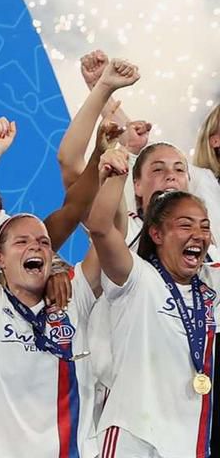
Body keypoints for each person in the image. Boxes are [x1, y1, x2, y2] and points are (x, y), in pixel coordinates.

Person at [0, 122, 107, 458]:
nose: (34, 248)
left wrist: (106, 165)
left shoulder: (73, 293)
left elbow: (105, 234)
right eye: (21, 242)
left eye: (43, 242)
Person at [87, 154, 217, 457]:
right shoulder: (137, 278)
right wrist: (116, 177)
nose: (198, 234)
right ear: (156, 233)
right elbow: (101, 229)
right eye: (185, 225)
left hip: (188, 442)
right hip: (134, 436)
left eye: (204, 227)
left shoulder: (211, 286)